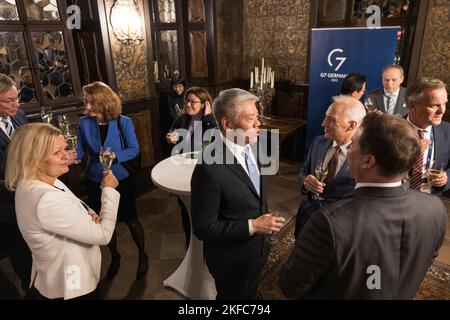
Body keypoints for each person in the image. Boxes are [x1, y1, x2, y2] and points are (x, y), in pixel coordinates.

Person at [280, 112, 447, 299]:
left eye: (354, 145)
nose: (348, 148)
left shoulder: (330, 222)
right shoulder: (435, 208)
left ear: (368, 161)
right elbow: (423, 260)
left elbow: (291, 286)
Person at [5, 123, 120, 300]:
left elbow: (75, 206)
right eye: (57, 152)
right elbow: (103, 235)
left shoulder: (38, 181)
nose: (67, 156)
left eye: (65, 148)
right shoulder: (45, 199)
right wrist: (109, 191)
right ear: (32, 159)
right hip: (71, 286)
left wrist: (89, 216)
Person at [191, 88, 285, 300]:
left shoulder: (253, 145)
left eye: (257, 116)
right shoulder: (209, 167)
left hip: (257, 251)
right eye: (250, 118)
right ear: (227, 124)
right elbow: (204, 228)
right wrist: (253, 226)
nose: (257, 124)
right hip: (231, 261)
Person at [76, 81, 148, 281]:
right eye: (86, 102)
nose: (87, 107)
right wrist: (71, 155)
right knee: (105, 223)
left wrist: (114, 154)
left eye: (92, 103)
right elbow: (81, 151)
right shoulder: (83, 123)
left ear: (105, 103)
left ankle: (143, 255)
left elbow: (134, 149)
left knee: (131, 219)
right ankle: (115, 257)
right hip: (94, 180)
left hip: (120, 179)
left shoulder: (123, 121)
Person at [294, 95, 366, 238]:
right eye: (326, 117)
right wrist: (305, 182)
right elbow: (304, 171)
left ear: (351, 125)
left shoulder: (366, 155)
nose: (323, 123)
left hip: (340, 225)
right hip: (308, 216)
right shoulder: (318, 142)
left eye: (331, 120)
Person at [166, 86, 217, 248]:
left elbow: (215, 143)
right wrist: (170, 139)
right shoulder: (182, 119)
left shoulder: (212, 121)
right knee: (185, 208)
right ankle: (190, 242)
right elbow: (175, 138)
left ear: (205, 104)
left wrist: (208, 117)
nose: (188, 105)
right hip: (183, 171)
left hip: (204, 173)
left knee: (203, 209)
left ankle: (206, 245)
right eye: (186, 101)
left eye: (192, 102)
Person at [0, 73, 32, 296]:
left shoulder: (20, 115)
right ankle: (28, 284)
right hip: (6, 203)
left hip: (30, 195)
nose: (16, 104)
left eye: (17, 97)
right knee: (19, 249)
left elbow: (31, 148)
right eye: (9, 101)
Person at [405, 78, 449, 195]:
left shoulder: (448, 131)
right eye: (434, 105)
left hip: (429, 204)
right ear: (412, 107)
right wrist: (410, 154)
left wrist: (446, 178)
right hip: (395, 202)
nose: (442, 111)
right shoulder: (389, 130)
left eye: (444, 103)